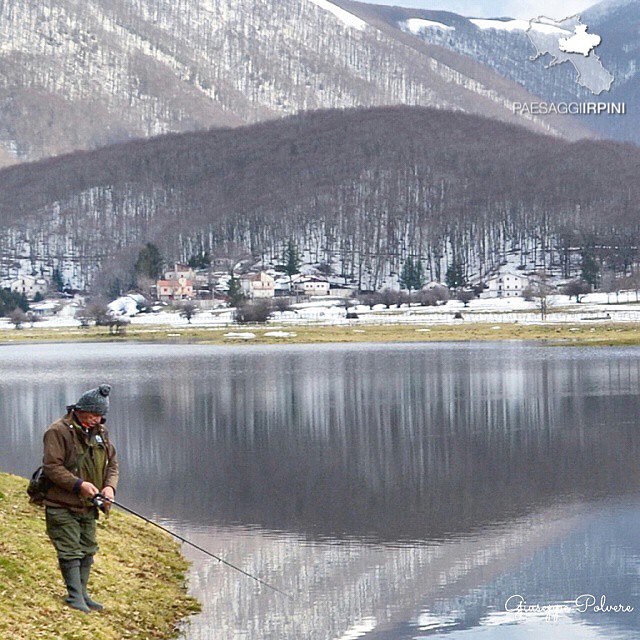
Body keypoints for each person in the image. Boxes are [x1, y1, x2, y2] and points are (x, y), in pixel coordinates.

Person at [41, 384, 119, 613]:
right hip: (61, 503)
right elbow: (51, 467)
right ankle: (74, 596)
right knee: (69, 550)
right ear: (80, 410)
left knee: (88, 548)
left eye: (100, 416)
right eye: (93, 415)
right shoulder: (57, 431)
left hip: (89, 505)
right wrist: (79, 485)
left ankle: (83, 594)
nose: (96, 420)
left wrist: (109, 488)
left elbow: (113, 464)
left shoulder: (101, 433)